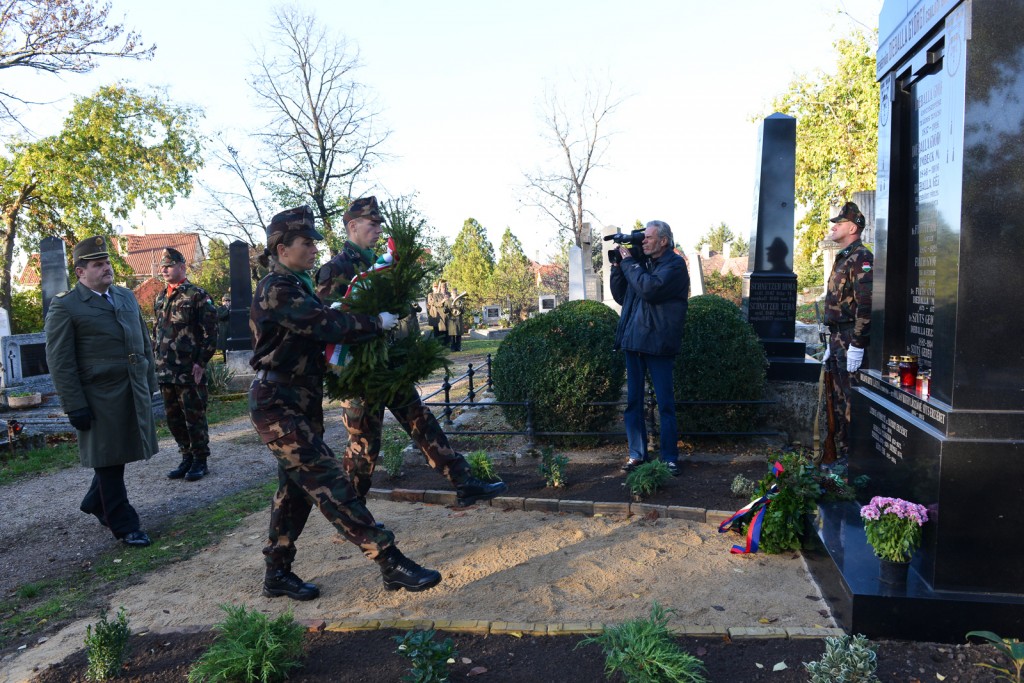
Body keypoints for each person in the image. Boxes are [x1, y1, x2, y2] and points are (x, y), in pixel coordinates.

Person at [250, 204, 442, 600]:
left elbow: (322, 321)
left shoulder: (298, 283)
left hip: (299, 400)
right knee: (328, 481)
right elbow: (324, 325)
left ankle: (277, 573)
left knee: (294, 492)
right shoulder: (277, 287)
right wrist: (375, 323)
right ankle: (390, 561)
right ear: (282, 249)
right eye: (306, 243)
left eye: (313, 243)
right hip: (276, 403)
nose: (313, 249)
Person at [315, 196, 507, 508]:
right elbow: (328, 323)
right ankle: (352, 512)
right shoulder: (335, 270)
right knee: (364, 447)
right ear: (352, 226)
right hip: (359, 373)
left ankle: (464, 482)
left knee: (422, 422)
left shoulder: (381, 264)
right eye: (372, 224)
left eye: (379, 224)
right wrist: (374, 323)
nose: (379, 230)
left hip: (389, 364)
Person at [44, 236, 158, 548]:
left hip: (131, 388)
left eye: (107, 262)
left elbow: (143, 342)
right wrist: (74, 404)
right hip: (98, 395)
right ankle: (125, 525)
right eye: (98, 264)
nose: (107, 268)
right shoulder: (66, 306)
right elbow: (60, 360)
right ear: (81, 272)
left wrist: (149, 383)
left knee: (116, 454)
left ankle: (96, 501)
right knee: (107, 459)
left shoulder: (125, 296)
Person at [610, 220, 690, 477]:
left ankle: (669, 458)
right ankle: (637, 454)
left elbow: (650, 289)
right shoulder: (642, 264)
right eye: (642, 237)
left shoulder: (674, 265)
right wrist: (617, 267)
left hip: (658, 344)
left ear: (663, 241)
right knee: (633, 403)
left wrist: (629, 263)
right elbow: (622, 296)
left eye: (649, 237)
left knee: (665, 404)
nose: (643, 241)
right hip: (634, 341)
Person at [154, 248, 219, 481]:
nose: (164, 270)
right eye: (162, 266)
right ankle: (186, 456)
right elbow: (158, 331)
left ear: (182, 267)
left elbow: (211, 332)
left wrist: (201, 362)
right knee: (174, 419)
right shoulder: (161, 296)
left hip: (189, 369)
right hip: (166, 369)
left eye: (169, 265)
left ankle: (200, 459)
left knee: (194, 417)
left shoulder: (197, 295)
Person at [822, 201, 873, 470]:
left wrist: (858, 343)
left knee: (852, 400)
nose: (833, 227)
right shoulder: (843, 257)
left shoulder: (861, 258)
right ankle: (843, 456)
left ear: (852, 228)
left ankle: (855, 461)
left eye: (839, 223)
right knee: (839, 400)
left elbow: (866, 304)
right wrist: (832, 341)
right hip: (838, 338)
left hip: (850, 338)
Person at [216, 293, 231, 361]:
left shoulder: (232, 308)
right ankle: (225, 360)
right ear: (223, 302)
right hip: (223, 330)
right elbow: (221, 317)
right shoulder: (220, 309)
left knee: (230, 345)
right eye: (225, 301)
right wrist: (227, 310)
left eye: (228, 301)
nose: (227, 302)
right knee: (224, 347)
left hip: (230, 329)